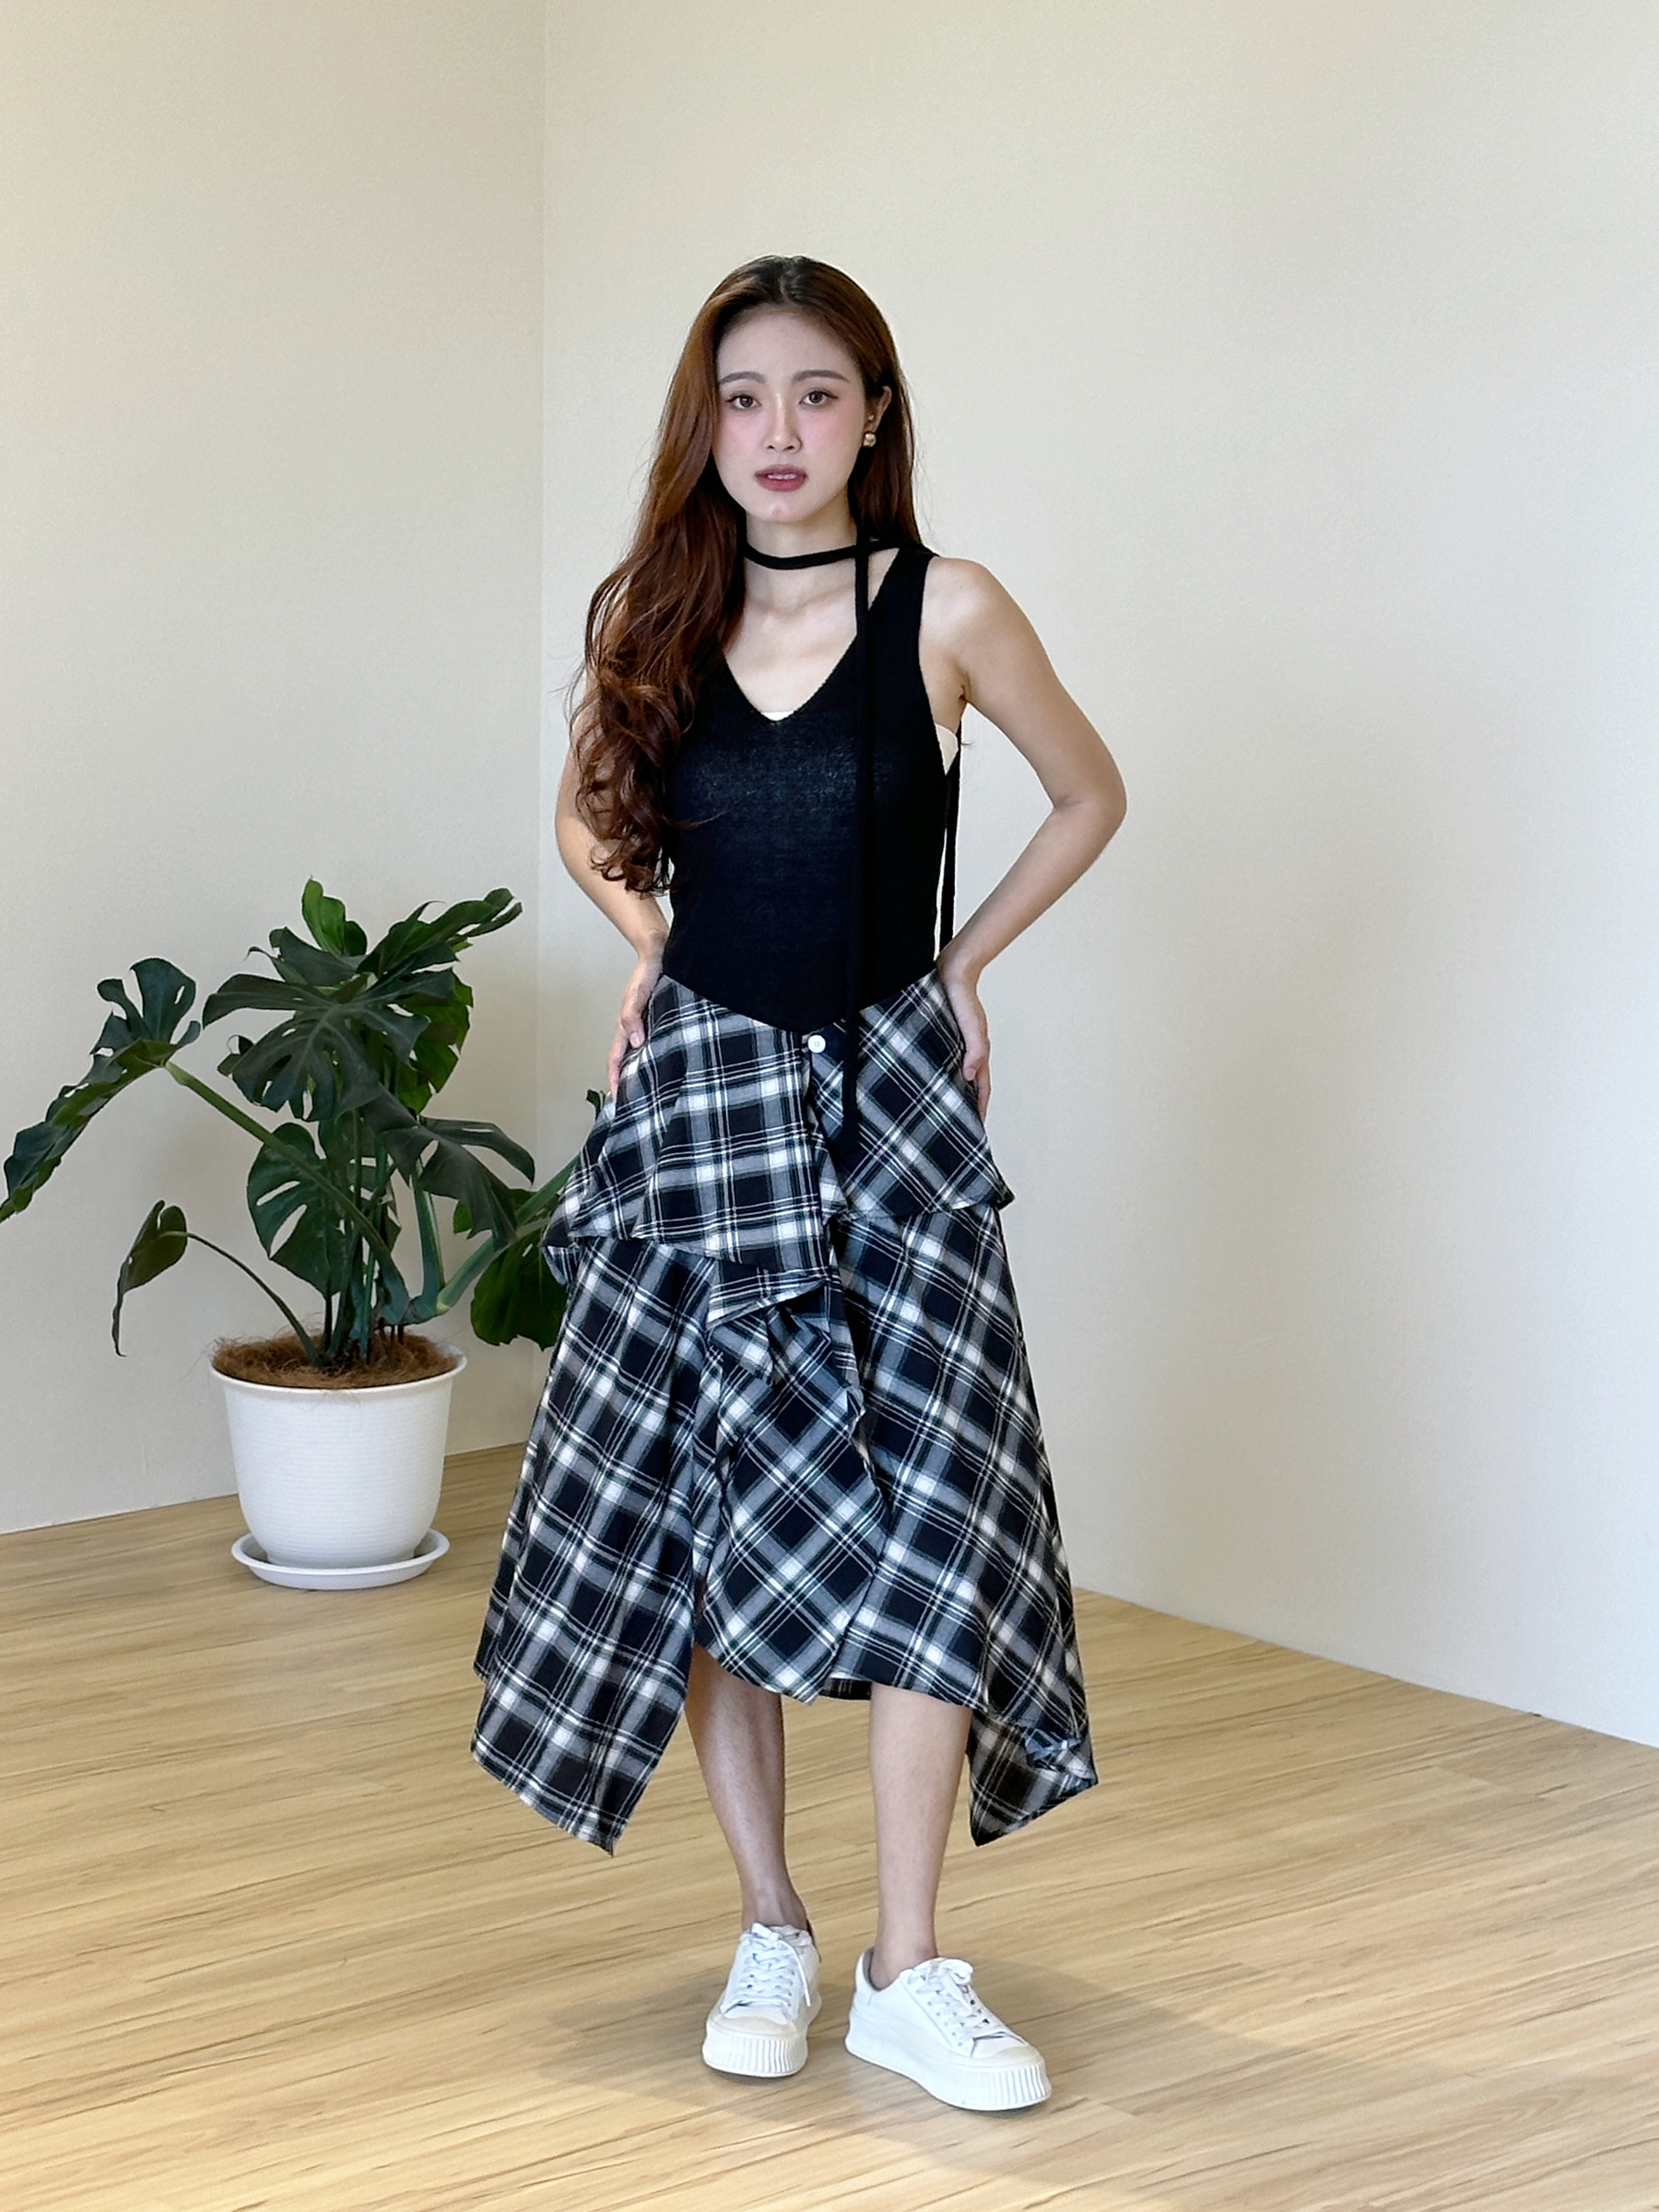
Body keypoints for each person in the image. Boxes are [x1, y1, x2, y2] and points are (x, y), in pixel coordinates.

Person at [472, 254, 1126, 2114]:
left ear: (873, 414)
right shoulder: (661, 618)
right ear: (707, 423)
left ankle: (908, 1971)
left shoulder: (948, 606)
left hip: (890, 1110)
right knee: (707, 1527)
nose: (778, 431)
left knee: (939, 1515)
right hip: (703, 1109)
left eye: (817, 393)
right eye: (743, 397)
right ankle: (771, 1922)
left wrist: (963, 963)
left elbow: (1089, 793)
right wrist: (653, 948)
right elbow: (587, 818)